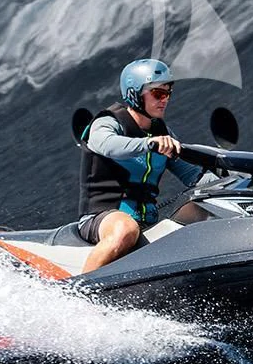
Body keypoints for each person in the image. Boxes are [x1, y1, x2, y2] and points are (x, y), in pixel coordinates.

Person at [77, 58, 204, 273]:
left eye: (168, 93)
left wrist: (238, 181)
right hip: (102, 217)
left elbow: (193, 175)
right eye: (158, 94)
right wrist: (149, 144)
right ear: (134, 94)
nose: (165, 100)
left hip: (147, 221)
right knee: (125, 229)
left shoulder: (162, 132)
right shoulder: (108, 122)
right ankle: (79, 293)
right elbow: (107, 145)